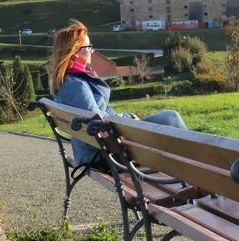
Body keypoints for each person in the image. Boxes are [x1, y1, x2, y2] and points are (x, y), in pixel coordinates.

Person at [50, 19, 187, 169]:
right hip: (103, 156)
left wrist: (125, 116)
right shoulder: (75, 85)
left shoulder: (69, 81)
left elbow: (96, 116)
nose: (92, 51)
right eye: (88, 47)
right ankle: (199, 170)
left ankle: (192, 169)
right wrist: (128, 117)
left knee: (168, 121)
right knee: (171, 117)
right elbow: (98, 124)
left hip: (97, 151)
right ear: (75, 52)